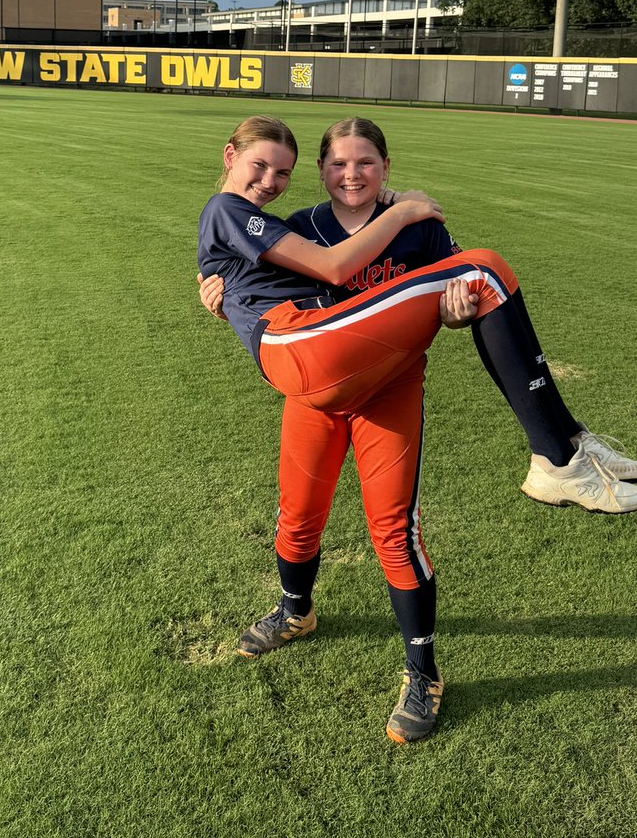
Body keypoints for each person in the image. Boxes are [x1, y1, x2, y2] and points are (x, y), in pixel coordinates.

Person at [196, 115, 637, 745]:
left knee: (394, 532)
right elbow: (254, 279)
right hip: (319, 387)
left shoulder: (424, 227)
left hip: (390, 390)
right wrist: (214, 290)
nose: (352, 173)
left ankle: (422, 671)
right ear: (321, 174)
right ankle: (296, 612)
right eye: (339, 163)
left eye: (366, 162)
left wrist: (455, 308)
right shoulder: (303, 227)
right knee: (297, 516)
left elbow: (465, 302)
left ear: (386, 168)